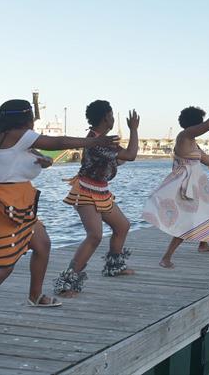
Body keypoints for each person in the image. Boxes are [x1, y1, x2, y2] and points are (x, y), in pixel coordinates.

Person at [0, 99, 116, 336]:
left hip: (18, 204)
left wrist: (43, 161)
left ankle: (35, 296)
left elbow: (34, 156)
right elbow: (60, 142)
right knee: (3, 267)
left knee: (42, 244)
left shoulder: (11, 136)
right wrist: (93, 141)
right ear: (26, 118)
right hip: (1, 208)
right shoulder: (18, 134)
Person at [55, 101, 139, 297]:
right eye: (111, 115)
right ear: (105, 117)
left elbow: (120, 159)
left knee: (122, 226)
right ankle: (66, 283)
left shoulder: (102, 140)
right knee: (94, 236)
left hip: (101, 191)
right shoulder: (96, 140)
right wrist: (134, 129)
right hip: (85, 191)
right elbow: (132, 155)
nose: (113, 119)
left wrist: (119, 157)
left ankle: (114, 267)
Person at [143, 106, 209, 268]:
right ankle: (166, 258)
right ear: (194, 123)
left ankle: (203, 244)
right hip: (183, 186)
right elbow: (206, 126)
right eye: (199, 123)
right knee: (186, 220)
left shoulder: (194, 143)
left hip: (196, 185)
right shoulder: (184, 136)